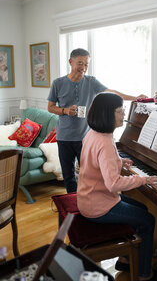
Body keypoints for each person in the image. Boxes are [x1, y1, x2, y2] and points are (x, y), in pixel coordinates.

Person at [77, 92, 157, 281]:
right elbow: (114, 184)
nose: (124, 114)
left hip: (89, 197)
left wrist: (119, 161)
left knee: (142, 208)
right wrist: (143, 180)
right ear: (107, 114)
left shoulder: (94, 134)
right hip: (98, 206)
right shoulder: (106, 142)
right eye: (120, 111)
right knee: (148, 220)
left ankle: (125, 259)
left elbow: (96, 162)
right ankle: (144, 274)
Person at [48, 48, 147, 193]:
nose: (83, 68)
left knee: (88, 174)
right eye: (80, 63)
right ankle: (73, 205)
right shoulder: (58, 83)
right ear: (70, 62)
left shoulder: (91, 81)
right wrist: (65, 111)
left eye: (86, 64)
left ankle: (85, 202)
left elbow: (111, 92)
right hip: (64, 137)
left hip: (85, 138)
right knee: (68, 175)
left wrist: (134, 98)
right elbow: (50, 107)